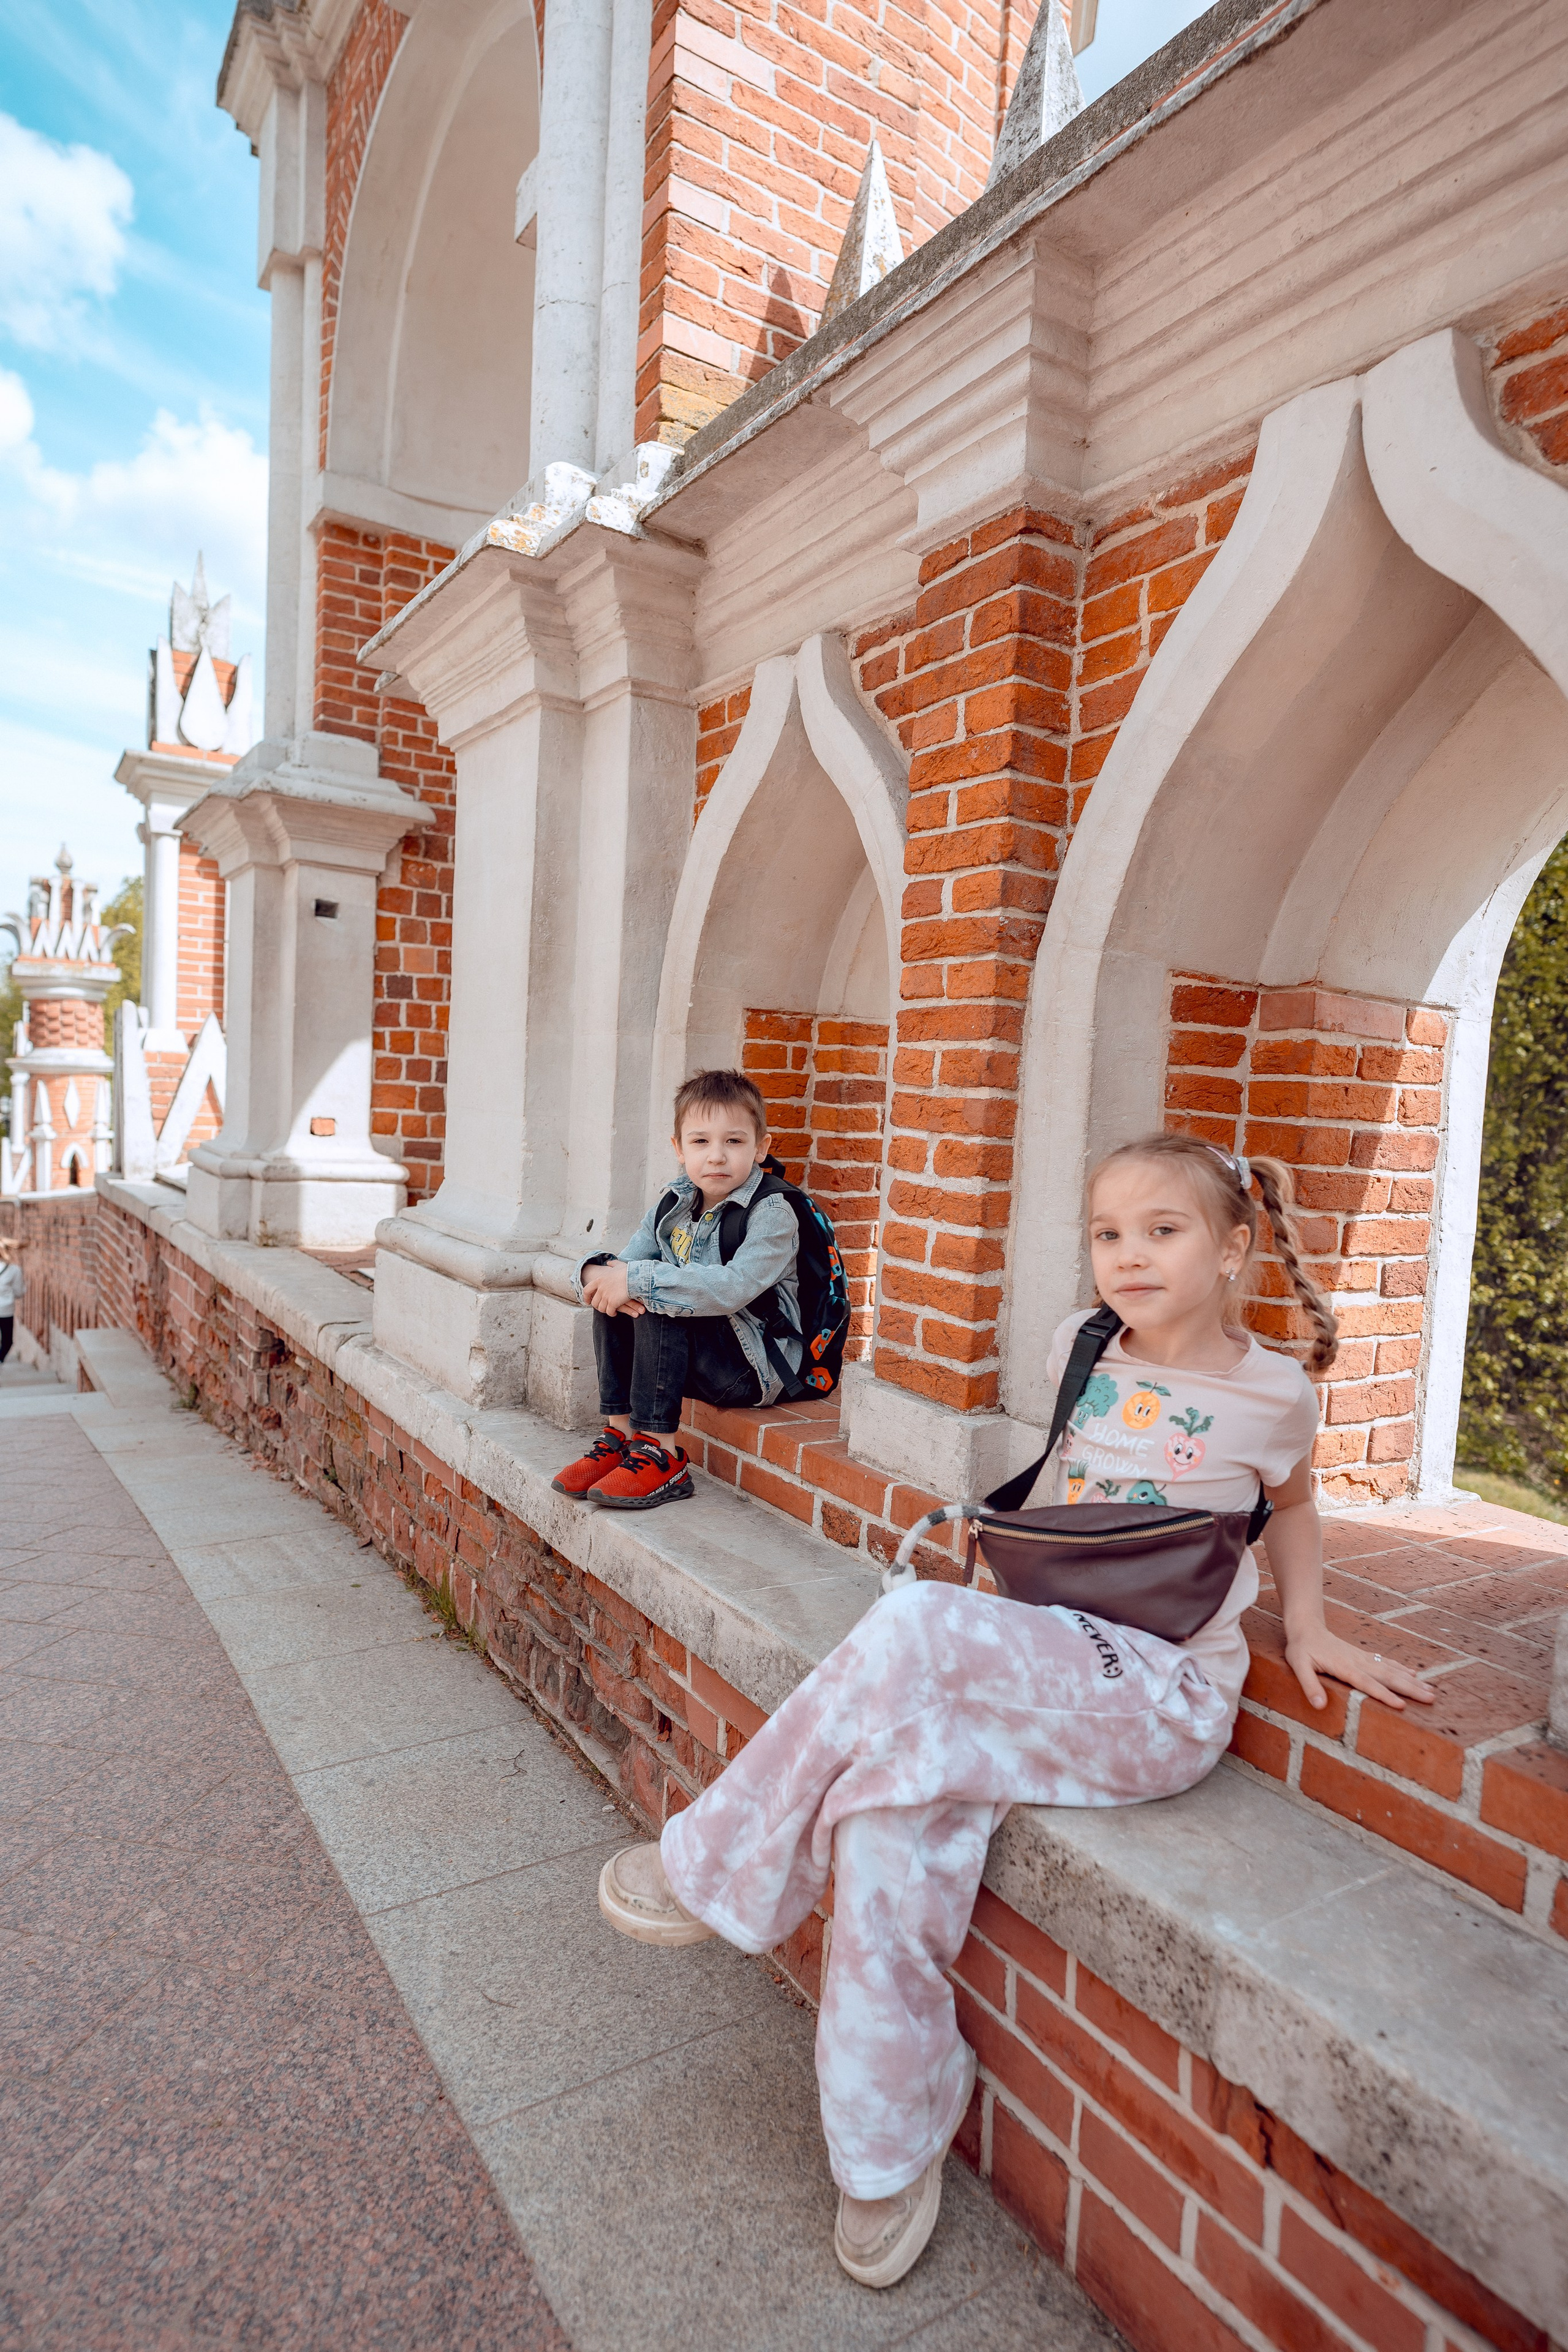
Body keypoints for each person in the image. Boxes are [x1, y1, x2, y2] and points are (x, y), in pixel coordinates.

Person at [593, 1131, 1436, 2287]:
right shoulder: (1080, 1344)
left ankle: (719, 1862)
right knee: (885, 1819)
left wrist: (1313, 1624)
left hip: (1156, 1693)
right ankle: (888, 2140)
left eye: (1163, 1230)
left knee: (911, 1624)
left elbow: (1291, 1507)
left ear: (1235, 1248)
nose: (1129, 1255)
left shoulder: (1272, 1391)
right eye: (1108, 1233)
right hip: (1040, 1657)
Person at [552, 1069, 803, 1510]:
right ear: (679, 1148)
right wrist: (593, 1273)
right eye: (701, 1141)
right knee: (619, 1293)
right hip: (693, 1359)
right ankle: (621, 1437)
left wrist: (638, 1281)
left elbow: (733, 1289)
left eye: (734, 1141)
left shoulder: (772, 1213)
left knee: (656, 1295)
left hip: (750, 1368)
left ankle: (662, 1454)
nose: (717, 1156)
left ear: (761, 1148)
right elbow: (621, 1267)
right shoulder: (674, 1204)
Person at [0, 1237, 21, 1364]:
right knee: (7, 1341)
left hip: (6, 1310)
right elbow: (19, 1292)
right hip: (5, 1310)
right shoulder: (14, 1270)